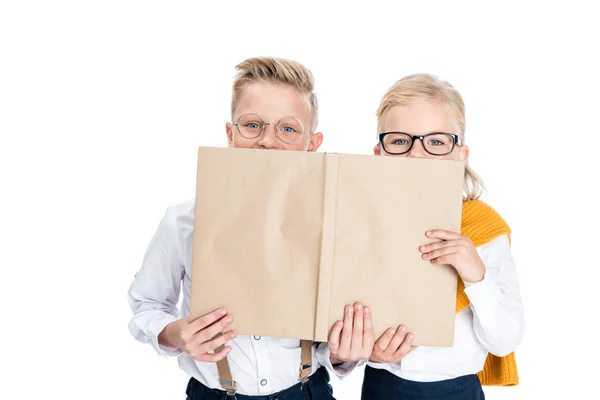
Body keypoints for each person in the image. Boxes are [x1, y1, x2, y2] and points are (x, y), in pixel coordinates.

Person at [127, 56, 372, 400]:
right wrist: (175, 334)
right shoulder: (184, 221)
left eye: (287, 129)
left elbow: (336, 339)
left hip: (306, 392)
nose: (268, 142)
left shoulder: (334, 228)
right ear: (231, 134)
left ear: (312, 146)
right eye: (253, 125)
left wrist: (343, 354)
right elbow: (147, 305)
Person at [361, 73, 525, 399]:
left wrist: (475, 275)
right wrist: (364, 352)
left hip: (458, 388)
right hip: (382, 384)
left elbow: (504, 340)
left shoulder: (484, 230)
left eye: (436, 141)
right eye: (399, 140)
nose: (417, 155)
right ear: (379, 154)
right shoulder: (361, 225)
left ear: (460, 155)